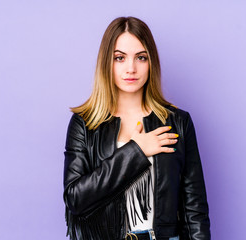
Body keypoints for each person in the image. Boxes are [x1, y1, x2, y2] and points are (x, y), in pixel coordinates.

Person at [63, 16, 211, 240]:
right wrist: (135, 151)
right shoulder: (84, 123)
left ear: (151, 62)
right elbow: (76, 199)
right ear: (107, 63)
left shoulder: (177, 122)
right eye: (120, 58)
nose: (131, 68)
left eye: (141, 57)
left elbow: (194, 208)